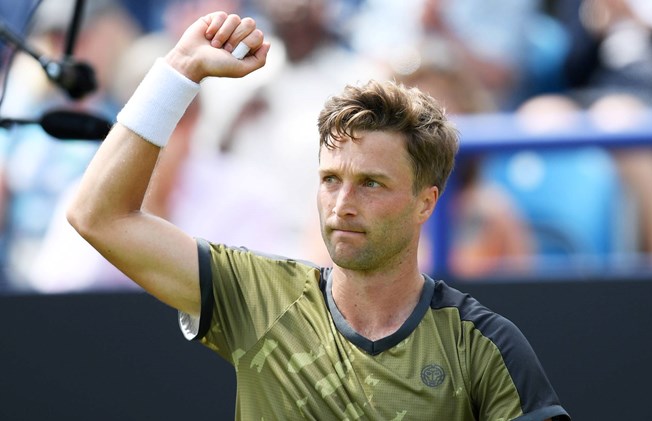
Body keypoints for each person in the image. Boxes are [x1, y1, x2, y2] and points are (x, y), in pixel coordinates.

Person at [67, 11, 570, 420]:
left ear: (427, 201)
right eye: (331, 179)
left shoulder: (484, 345)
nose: (342, 203)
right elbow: (98, 216)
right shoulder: (254, 294)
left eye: (371, 183)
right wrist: (179, 69)